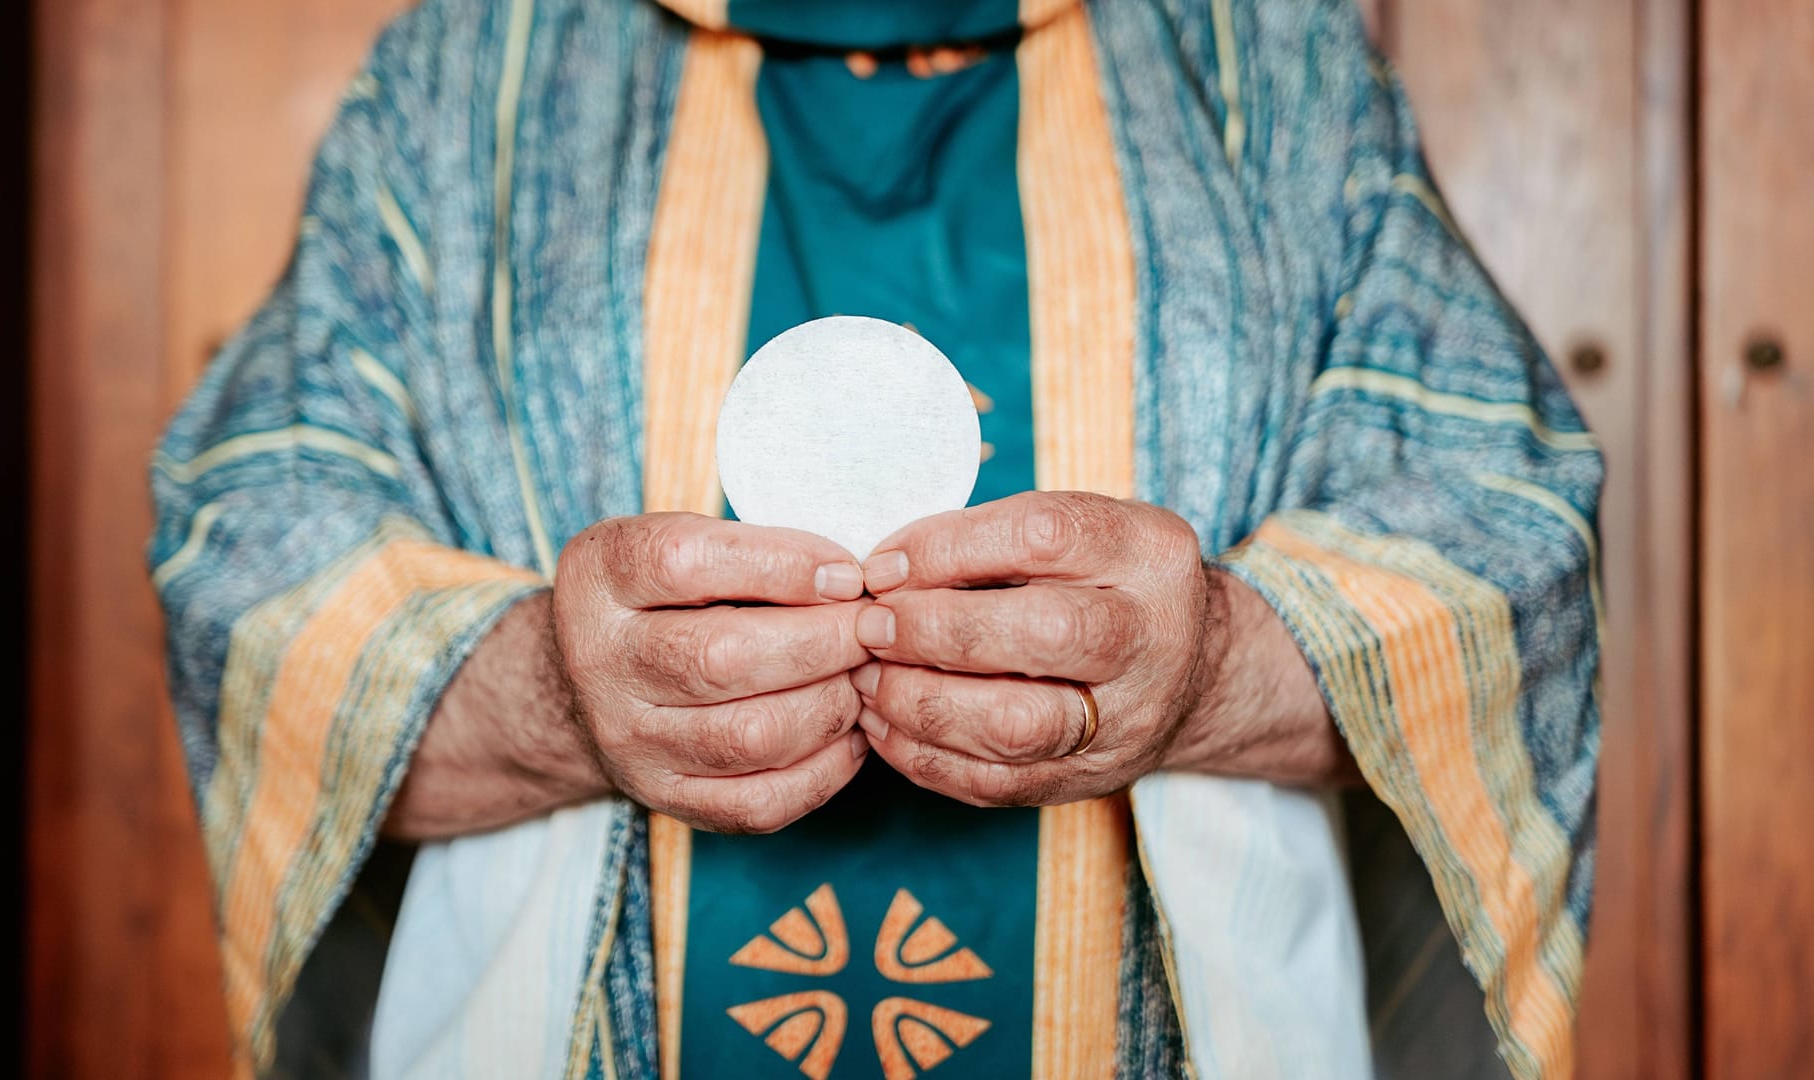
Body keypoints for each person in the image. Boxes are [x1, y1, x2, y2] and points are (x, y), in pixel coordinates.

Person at [148, 0, 1602, 1077]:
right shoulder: (478, 77)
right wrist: (549, 694)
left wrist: (1216, 667)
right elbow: (252, 541)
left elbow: (1498, 527)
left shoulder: (1268, 69)